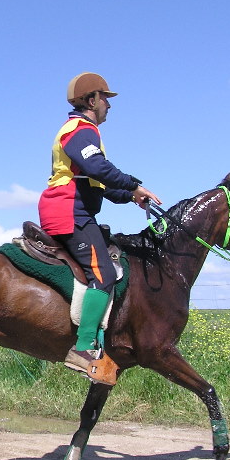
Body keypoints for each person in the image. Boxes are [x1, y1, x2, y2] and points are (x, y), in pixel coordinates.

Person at [38, 72, 161, 386]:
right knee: (104, 273)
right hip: (70, 211)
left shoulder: (85, 133)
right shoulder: (81, 130)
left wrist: (130, 195)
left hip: (72, 207)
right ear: (90, 100)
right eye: (104, 97)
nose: (109, 104)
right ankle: (83, 348)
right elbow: (98, 169)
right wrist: (134, 184)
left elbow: (99, 184)